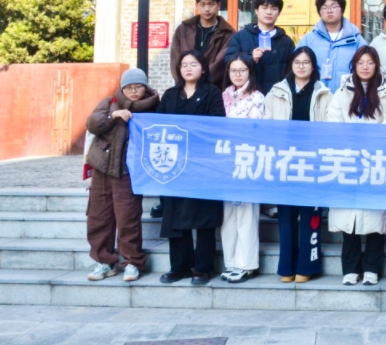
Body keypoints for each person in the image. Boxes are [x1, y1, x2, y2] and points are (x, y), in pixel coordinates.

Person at [327, 46, 386, 286]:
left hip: (375, 161)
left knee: (374, 218)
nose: (365, 67)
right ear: (354, 66)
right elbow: (333, 123)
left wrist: (370, 149)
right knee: (350, 219)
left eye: (370, 62)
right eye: (360, 63)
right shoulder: (341, 93)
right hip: (347, 161)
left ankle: (372, 269)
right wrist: (350, 148)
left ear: (377, 65)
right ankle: (350, 269)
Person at [264, 47, 333, 283]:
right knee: (286, 216)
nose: (301, 66)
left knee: (310, 215)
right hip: (285, 161)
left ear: (313, 66)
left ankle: (307, 265)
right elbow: (267, 126)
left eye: (306, 62)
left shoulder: (324, 93)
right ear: (291, 65)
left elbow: (330, 128)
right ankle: (286, 267)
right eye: (297, 62)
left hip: (313, 162)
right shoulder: (276, 92)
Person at [84, 68, 160, 282]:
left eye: (138, 87)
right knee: (98, 216)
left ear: (145, 87)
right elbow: (92, 123)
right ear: (122, 88)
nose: (133, 91)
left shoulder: (154, 106)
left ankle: (132, 262)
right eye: (128, 87)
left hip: (131, 171)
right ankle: (104, 262)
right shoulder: (110, 102)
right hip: (103, 167)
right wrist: (113, 116)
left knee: (128, 218)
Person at [157, 50, 226, 285]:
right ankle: (179, 267)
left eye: (193, 64)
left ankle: (203, 268)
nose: (188, 68)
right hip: (174, 163)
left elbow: (216, 123)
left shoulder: (212, 92)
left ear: (203, 68)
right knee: (175, 216)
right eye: (184, 65)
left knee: (204, 217)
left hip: (202, 162)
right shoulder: (170, 95)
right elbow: (159, 124)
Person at [218, 54, 265, 284]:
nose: (237, 74)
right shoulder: (224, 95)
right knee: (228, 216)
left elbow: (254, 131)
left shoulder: (257, 97)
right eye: (233, 70)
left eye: (242, 70)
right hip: (225, 163)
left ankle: (246, 264)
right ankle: (231, 262)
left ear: (250, 72)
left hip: (247, 161)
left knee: (246, 215)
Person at [224, 0, 295, 95]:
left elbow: (292, 71)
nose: (269, 12)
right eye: (264, 7)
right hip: (247, 96)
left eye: (274, 8)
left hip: (277, 96)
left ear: (279, 13)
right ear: (256, 10)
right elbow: (228, 62)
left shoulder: (286, 42)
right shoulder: (240, 37)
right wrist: (250, 58)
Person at [298, 0, 368, 94]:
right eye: (324, 7)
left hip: (348, 97)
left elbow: (368, 69)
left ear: (342, 9)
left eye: (334, 6)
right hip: (315, 97)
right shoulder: (308, 40)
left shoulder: (356, 40)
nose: (329, 11)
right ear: (319, 12)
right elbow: (296, 68)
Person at [170, 0, 235, 85]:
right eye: (202, 4)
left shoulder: (227, 33)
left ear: (218, 5)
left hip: (212, 88)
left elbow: (220, 64)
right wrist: (184, 84)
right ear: (196, 5)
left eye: (211, 4)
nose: (207, 9)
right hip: (184, 87)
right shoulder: (183, 30)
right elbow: (175, 59)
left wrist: (200, 83)